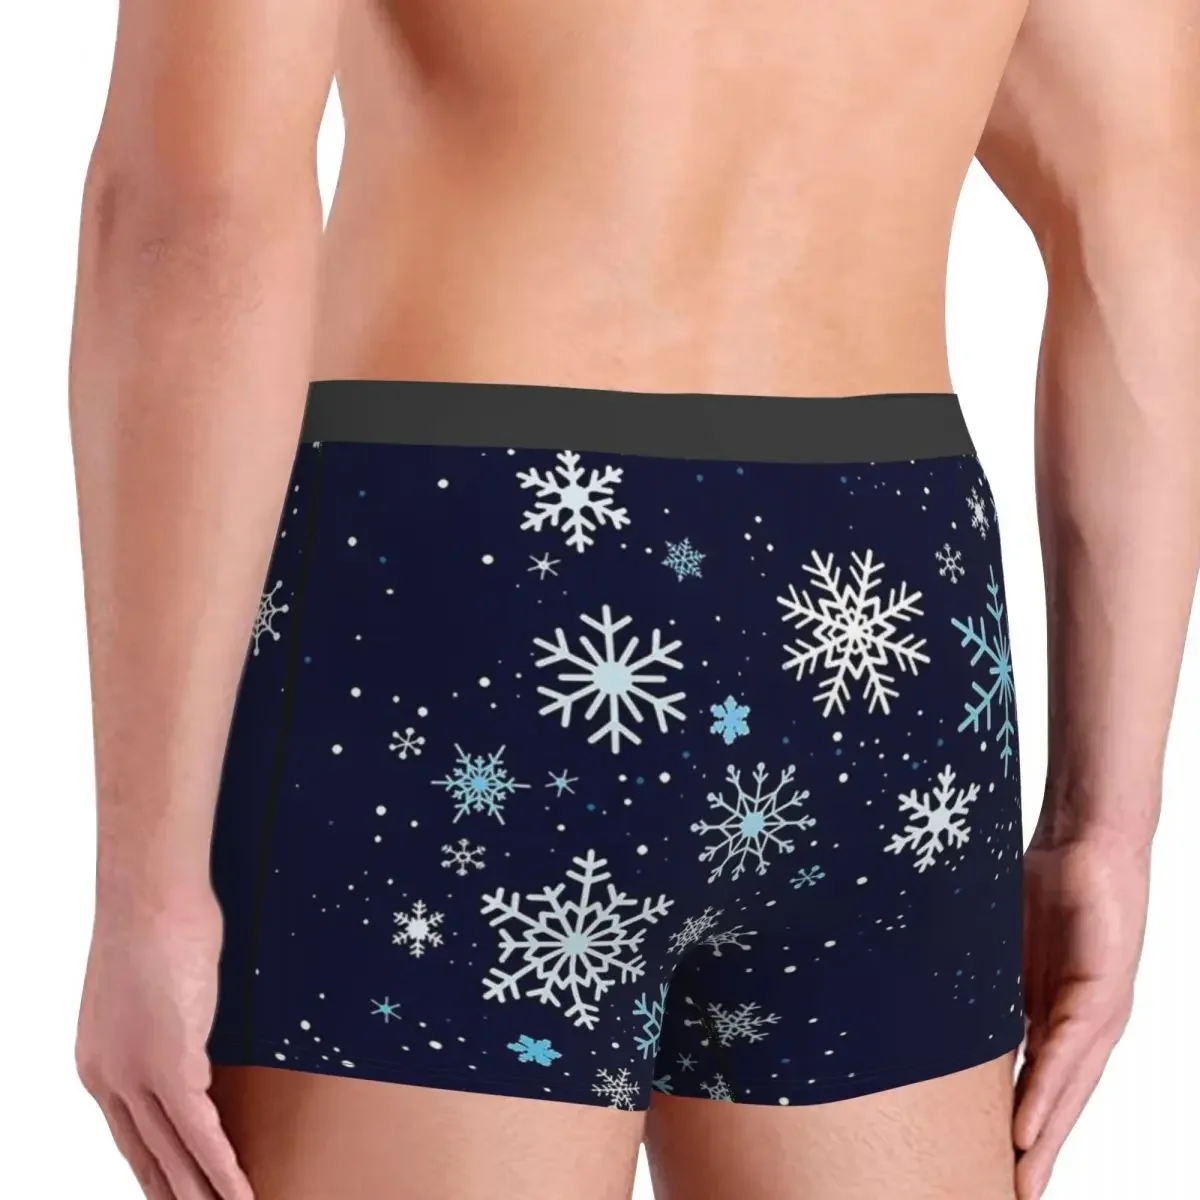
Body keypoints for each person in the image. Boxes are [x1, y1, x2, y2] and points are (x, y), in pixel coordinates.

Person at [69, 1, 1199, 1198]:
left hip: (470, 584)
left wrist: (149, 886)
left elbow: (194, 219)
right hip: (881, 602)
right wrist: (1105, 829)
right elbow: (1146, 224)